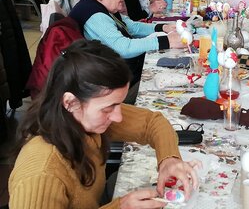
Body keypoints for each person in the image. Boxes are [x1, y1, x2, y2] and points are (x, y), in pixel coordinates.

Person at [9, 40, 201, 208]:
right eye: (109, 108)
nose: (118, 117)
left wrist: (168, 160)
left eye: (119, 104)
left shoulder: (81, 119)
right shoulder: (41, 174)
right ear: (70, 102)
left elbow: (153, 122)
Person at [69, 0, 183, 104]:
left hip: (121, 71)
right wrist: (167, 41)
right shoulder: (95, 16)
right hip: (113, 86)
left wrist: (163, 27)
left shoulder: (100, 6)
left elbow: (132, 27)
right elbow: (124, 48)